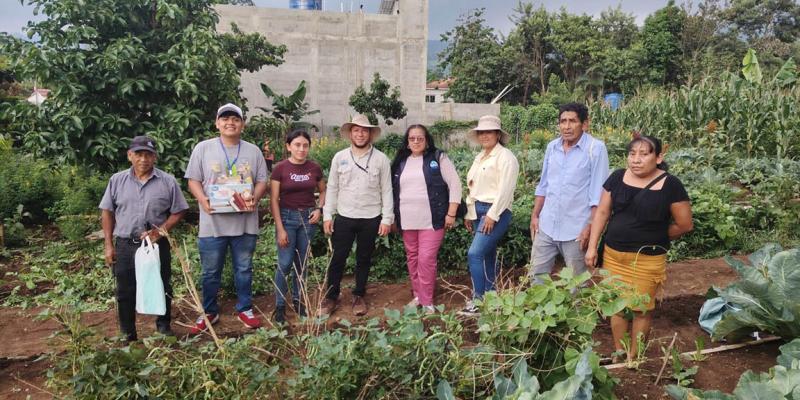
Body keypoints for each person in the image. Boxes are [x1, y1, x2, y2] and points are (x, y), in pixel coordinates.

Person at [585, 134, 693, 364]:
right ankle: (619, 352)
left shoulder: (671, 185)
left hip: (647, 259)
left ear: (658, 157)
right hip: (613, 255)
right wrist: (592, 247)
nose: (636, 159)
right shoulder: (616, 178)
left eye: (644, 154)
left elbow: (685, 224)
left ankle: (635, 356)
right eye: (632, 154)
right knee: (617, 306)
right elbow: (602, 213)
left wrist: (657, 234)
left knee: (641, 309)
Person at [185, 103, 269, 334]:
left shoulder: (253, 151)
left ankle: (245, 308)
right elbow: (192, 179)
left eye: (235, 119)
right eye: (225, 118)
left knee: (244, 268)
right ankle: (209, 311)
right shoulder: (203, 149)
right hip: (212, 224)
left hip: (244, 223)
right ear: (217, 123)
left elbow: (262, 180)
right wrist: (203, 200)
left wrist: (255, 196)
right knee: (210, 271)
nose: (230, 122)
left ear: (242, 124)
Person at [100, 136, 189, 341]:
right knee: (125, 290)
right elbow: (107, 212)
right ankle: (128, 333)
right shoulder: (117, 180)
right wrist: (108, 245)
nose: (143, 159)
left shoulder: (167, 181)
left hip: (157, 244)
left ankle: (164, 327)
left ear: (155, 157)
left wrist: (160, 231)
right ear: (130, 156)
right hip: (125, 244)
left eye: (148, 155)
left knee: (162, 285)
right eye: (138, 154)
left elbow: (179, 210)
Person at [320, 114, 393, 317]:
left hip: (371, 217)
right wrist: (328, 215)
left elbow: (387, 190)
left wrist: (387, 218)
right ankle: (331, 296)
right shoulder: (340, 158)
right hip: (344, 216)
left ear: (370, 134)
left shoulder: (381, 159)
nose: (360, 134)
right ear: (350, 133)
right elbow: (332, 188)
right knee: (338, 258)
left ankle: (359, 295)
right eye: (356, 130)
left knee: (364, 258)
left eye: (364, 130)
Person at [530, 102, 609, 283]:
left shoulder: (595, 149)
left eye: (572, 121)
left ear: (585, 124)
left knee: (577, 284)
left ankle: (578, 311)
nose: (566, 126)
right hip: (547, 226)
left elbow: (598, 196)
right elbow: (543, 185)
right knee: (536, 278)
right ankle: (541, 312)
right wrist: (535, 216)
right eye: (563, 121)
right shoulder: (552, 147)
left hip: (576, 230)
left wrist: (590, 228)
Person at [390, 124, 462, 314]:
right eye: (412, 138)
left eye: (419, 138)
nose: (415, 141)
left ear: (427, 140)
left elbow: (455, 184)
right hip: (407, 220)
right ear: (407, 141)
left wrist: (451, 212)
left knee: (426, 258)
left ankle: (427, 300)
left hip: (433, 219)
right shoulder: (400, 162)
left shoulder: (438, 158)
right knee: (412, 258)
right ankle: (418, 295)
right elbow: (392, 191)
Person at [460, 115, 519, 315]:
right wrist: (469, 213)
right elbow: (473, 187)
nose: (484, 135)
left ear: (497, 134)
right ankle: (492, 299)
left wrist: (492, 215)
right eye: (481, 132)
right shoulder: (480, 157)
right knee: (487, 255)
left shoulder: (506, 157)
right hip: (478, 210)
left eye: (489, 132)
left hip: (496, 211)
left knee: (474, 253)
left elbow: (505, 191)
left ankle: (478, 300)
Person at [270, 129, 326, 323]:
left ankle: (298, 300)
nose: (301, 149)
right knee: (285, 263)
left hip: (307, 219)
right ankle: (279, 305)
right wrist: (280, 228)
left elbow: (323, 190)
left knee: (302, 264)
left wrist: (319, 209)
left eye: (305, 145)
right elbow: (274, 199)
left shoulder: (314, 168)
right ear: (288, 147)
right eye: (297, 145)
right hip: (286, 218)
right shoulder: (280, 168)